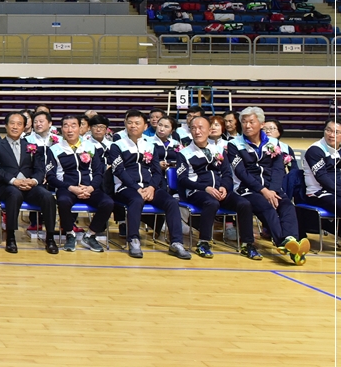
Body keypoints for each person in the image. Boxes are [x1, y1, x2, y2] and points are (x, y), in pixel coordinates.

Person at [227, 107, 309, 264]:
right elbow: (241, 173)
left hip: (272, 188)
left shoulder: (274, 143)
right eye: (244, 122)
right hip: (247, 190)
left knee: (287, 205)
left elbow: (279, 169)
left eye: (251, 122)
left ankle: (293, 243)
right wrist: (263, 190)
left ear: (261, 124)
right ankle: (283, 243)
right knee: (267, 207)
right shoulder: (234, 145)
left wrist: (273, 190)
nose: (247, 125)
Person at [108, 109, 192, 260]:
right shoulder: (116, 146)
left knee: (171, 202)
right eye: (130, 123)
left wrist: (152, 187)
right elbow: (119, 171)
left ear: (145, 126)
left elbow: (157, 171)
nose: (133, 126)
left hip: (150, 188)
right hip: (126, 188)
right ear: (125, 125)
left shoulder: (150, 146)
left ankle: (176, 243)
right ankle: (133, 240)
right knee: (136, 199)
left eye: (137, 123)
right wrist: (137, 188)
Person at [176, 115, 257, 259]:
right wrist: (205, 188)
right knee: (211, 202)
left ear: (209, 130)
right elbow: (182, 180)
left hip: (220, 191)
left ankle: (247, 244)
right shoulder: (184, 153)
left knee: (244, 203)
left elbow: (227, 173)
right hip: (198, 192)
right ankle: (203, 242)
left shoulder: (219, 150)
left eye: (201, 128)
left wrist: (224, 187)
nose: (197, 131)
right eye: (193, 128)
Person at [0, 112, 59, 254]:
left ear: (24, 127)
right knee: (14, 194)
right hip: (6, 186)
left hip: (29, 186)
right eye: (12, 123)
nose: (15, 127)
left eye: (19, 124)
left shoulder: (32, 146)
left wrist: (33, 181)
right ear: (6, 125)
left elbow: (39, 169)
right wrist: (15, 181)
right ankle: (11, 237)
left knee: (48, 196)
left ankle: (50, 238)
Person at [47, 114, 112, 253]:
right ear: (61, 129)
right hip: (67, 188)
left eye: (73, 126)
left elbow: (98, 173)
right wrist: (71, 188)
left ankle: (90, 235)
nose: (69, 130)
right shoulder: (54, 149)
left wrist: (91, 187)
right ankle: (69, 233)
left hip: (89, 188)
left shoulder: (91, 147)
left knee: (108, 203)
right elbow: (51, 177)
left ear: (80, 128)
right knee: (63, 201)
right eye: (66, 126)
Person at [302, 118, 339, 235]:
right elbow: (323, 178)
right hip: (319, 193)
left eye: (336, 132)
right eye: (328, 130)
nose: (332, 135)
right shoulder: (315, 150)